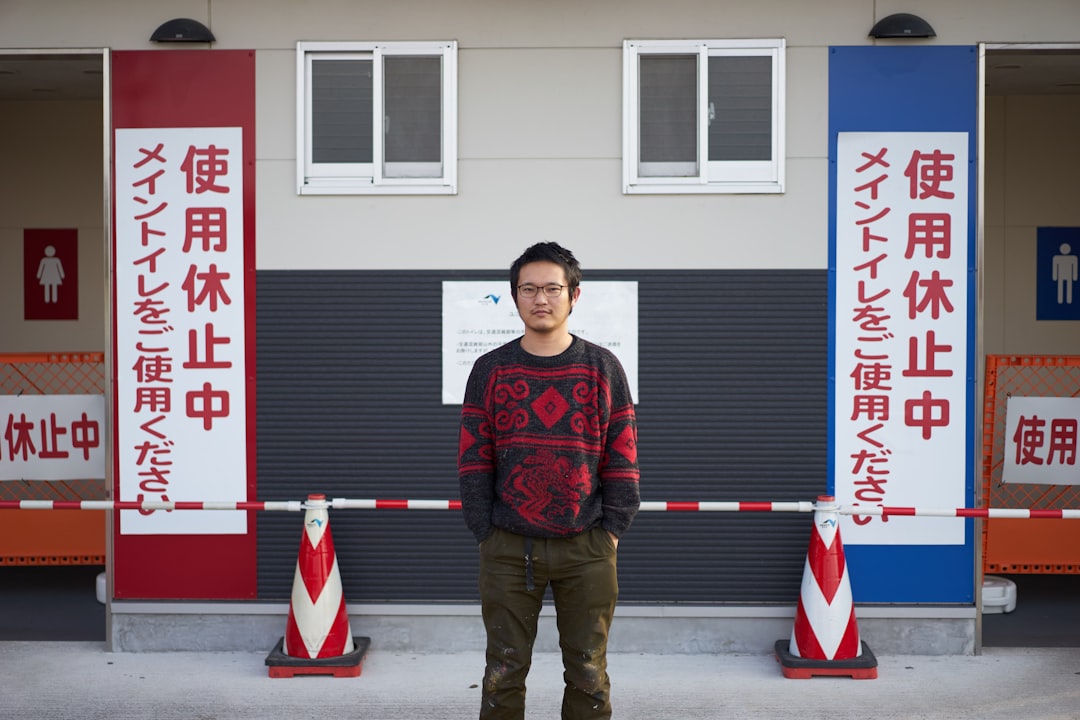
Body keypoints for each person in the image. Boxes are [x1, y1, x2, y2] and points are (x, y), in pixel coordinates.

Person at [458, 242, 641, 720]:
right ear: (515, 297)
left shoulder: (602, 367)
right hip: (506, 545)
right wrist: (484, 528)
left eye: (553, 288)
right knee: (503, 669)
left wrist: (612, 530)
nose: (541, 298)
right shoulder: (490, 370)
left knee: (588, 672)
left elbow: (622, 456)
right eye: (529, 289)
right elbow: (474, 456)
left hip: (587, 544)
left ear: (574, 296)